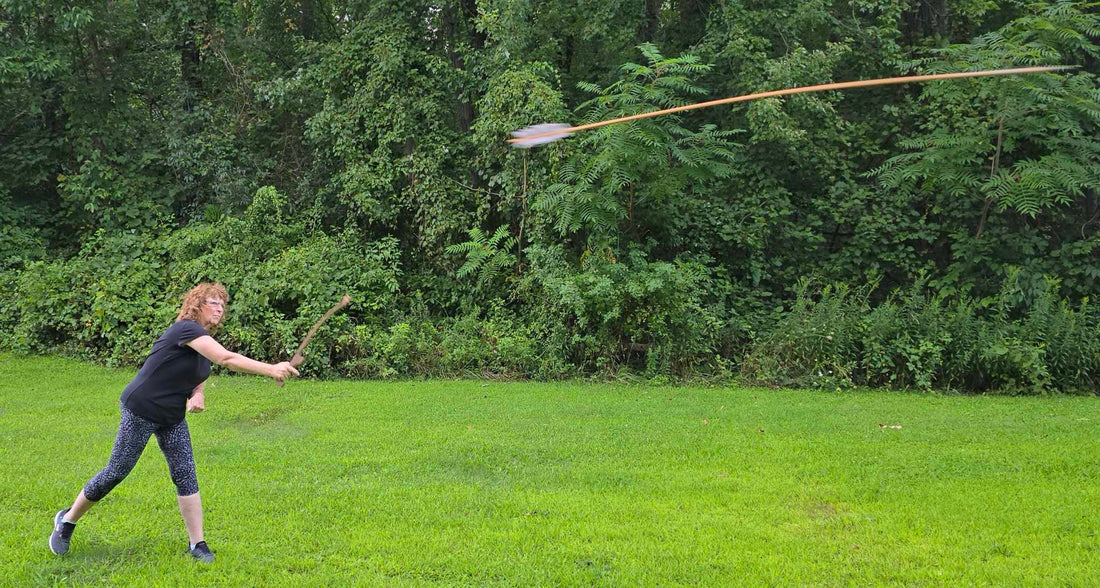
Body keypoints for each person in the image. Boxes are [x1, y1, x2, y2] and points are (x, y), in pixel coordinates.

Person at [48, 283, 300, 562]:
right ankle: (67, 521)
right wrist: (271, 369)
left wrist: (198, 393)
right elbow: (224, 358)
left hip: (171, 416)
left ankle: (197, 544)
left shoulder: (201, 337)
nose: (219, 309)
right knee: (117, 471)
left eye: (222, 305)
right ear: (197, 305)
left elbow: (199, 370)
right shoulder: (186, 329)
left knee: (185, 473)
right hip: (142, 408)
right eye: (213, 303)